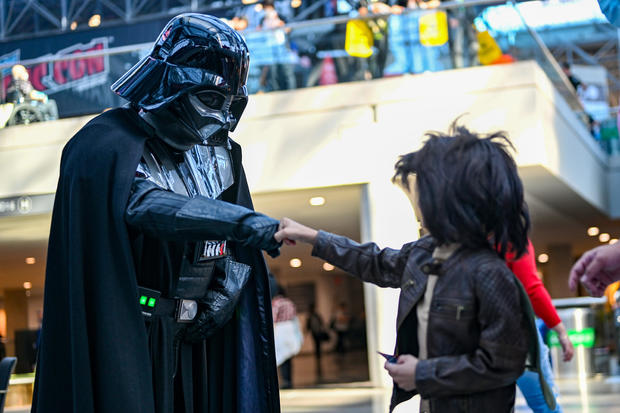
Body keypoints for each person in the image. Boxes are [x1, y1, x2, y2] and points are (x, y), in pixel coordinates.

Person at [32, 14, 283, 413]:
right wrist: (240, 223)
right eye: (212, 100)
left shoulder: (220, 154)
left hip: (201, 337)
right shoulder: (107, 143)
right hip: (133, 334)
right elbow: (145, 205)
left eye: (232, 104)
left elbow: (236, 249)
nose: (221, 118)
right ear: (173, 86)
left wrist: (228, 286)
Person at [276, 123, 545, 412]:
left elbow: (502, 366)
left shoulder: (489, 273)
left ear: (453, 199)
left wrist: (422, 373)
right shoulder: (424, 253)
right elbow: (374, 262)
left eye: (424, 190)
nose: (416, 201)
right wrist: (313, 237)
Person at [508, 240, 574, 413]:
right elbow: (531, 288)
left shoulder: (464, 235)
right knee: (544, 404)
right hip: (517, 336)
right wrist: (561, 331)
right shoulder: (511, 237)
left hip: (475, 337)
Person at [306, 302, 329, 379]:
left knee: (317, 344)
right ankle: (318, 355)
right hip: (315, 333)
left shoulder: (312, 316)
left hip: (316, 332)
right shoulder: (313, 315)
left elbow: (309, 325)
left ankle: (318, 355)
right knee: (317, 344)